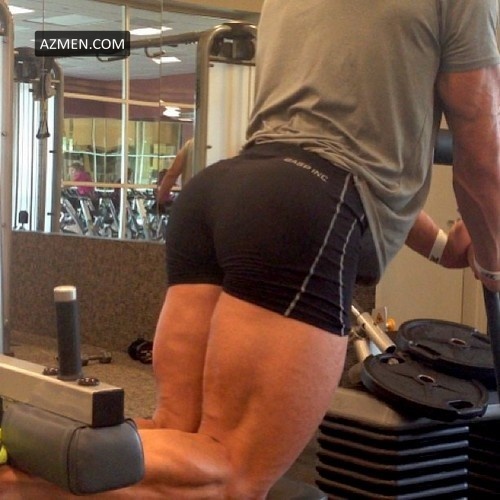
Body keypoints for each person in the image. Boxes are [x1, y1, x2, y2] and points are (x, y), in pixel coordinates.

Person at [1, 1, 499, 499]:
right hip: (298, 210)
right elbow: (481, 137)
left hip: (227, 190)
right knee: (231, 471)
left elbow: (346, 149)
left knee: (178, 437)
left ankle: (20, 463)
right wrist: (494, 263)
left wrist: (440, 247)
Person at [156, 138, 194, 208]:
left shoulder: (190, 145)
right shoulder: (216, 143)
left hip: (191, 198)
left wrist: (160, 201)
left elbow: (172, 173)